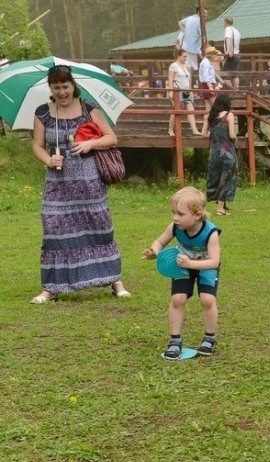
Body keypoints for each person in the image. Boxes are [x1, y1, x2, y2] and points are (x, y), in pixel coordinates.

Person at [29, 64, 130, 304]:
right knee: (54, 230)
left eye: (65, 86)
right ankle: (51, 286)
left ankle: (115, 280)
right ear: (51, 88)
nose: (62, 91)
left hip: (89, 182)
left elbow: (111, 137)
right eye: (57, 87)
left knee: (100, 227)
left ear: (73, 86)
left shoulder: (89, 109)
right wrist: (48, 159)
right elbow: (36, 145)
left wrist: (89, 145)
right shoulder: (43, 112)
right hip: (57, 183)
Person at [142, 187, 221, 360]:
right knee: (177, 299)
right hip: (182, 266)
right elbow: (160, 241)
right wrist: (154, 251)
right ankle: (174, 341)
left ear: (198, 215)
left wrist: (191, 263)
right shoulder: (175, 227)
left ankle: (209, 338)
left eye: (180, 214)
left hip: (205, 266)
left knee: (207, 299)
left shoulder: (211, 233)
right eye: (173, 212)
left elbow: (214, 261)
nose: (175, 218)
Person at [205, 94, 237, 216]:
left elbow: (203, 133)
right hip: (227, 152)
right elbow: (232, 135)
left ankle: (203, 206)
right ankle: (220, 209)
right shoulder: (229, 115)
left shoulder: (211, 116)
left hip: (214, 152)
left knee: (213, 179)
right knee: (226, 178)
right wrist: (235, 140)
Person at [167, 49, 200, 136]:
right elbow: (170, 79)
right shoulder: (173, 66)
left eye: (186, 56)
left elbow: (188, 79)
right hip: (178, 91)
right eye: (184, 56)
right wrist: (171, 91)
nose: (186, 58)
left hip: (187, 91)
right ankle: (170, 130)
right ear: (179, 56)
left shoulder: (185, 65)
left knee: (190, 110)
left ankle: (194, 130)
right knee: (176, 111)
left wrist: (190, 89)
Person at [178, 6, 205, 84]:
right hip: (193, 48)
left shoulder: (189, 18)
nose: (205, 14)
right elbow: (202, 35)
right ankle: (189, 87)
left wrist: (184, 31)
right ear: (199, 12)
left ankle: (188, 86)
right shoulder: (199, 21)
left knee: (189, 67)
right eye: (204, 13)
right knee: (192, 68)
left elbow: (180, 22)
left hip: (186, 47)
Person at [198, 47, 221, 136]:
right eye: (215, 53)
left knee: (208, 110)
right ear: (211, 54)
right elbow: (206, 76)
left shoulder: (207, 62)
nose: (216, 55)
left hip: (208, 85)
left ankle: (204, 132)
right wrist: (210, 87)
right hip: (208, 85)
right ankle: (216, 130)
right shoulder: (206, 63)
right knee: (217, 108)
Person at [222, 17, 241, 89]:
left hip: (231, 55)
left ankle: (231, 90)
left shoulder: (228, 29)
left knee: (225, 75)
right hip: (237, 54)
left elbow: (228, 39)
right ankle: (236, 89)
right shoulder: (237, 31)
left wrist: (228, 51)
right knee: (235, 74)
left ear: (225, 22)